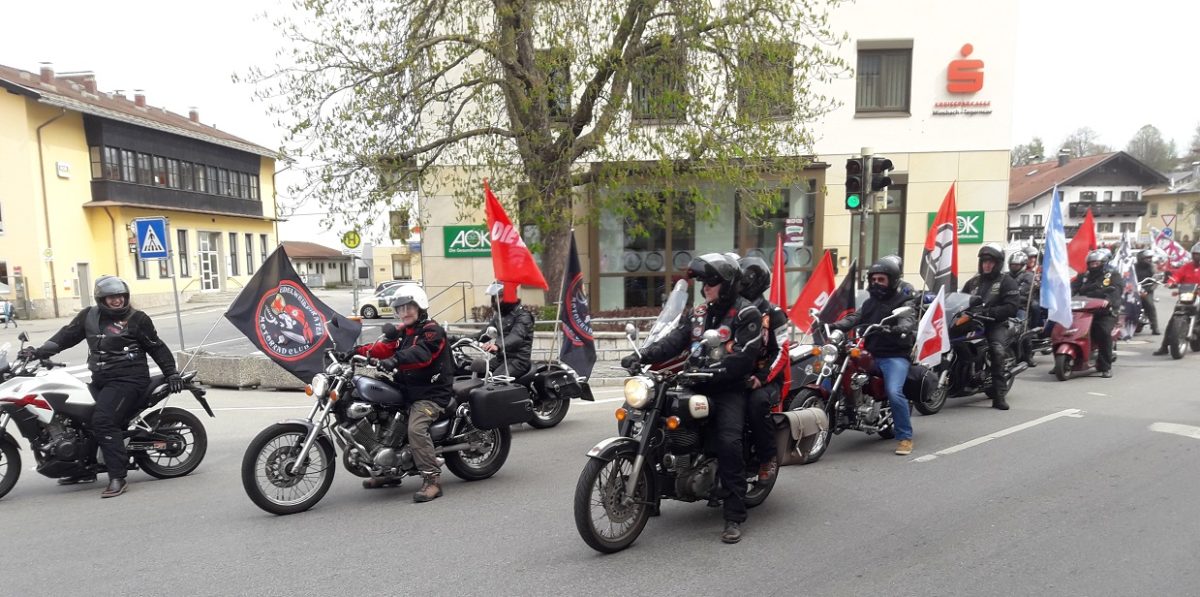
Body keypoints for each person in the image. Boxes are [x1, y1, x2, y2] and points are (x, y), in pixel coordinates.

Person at [621, 253, 762, 544]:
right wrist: (642, 355)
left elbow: (744, 358)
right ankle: (652, 494)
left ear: (728, 283)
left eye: (711, 282)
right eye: (703, 282)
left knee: (728, 442)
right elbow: (674, 340)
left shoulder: (747, 313)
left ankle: (733, 515)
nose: (705, 287)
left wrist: (716, 370)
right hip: (694, 383)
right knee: (656, 423)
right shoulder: (698, 313)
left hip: (727, 388)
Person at [22, 276, 183, 498]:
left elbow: (156, 347)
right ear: (101, 299)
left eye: (121, 296)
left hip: (129, 381)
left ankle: (118, 476)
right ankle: (84, 470)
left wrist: (172, 372)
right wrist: (38, 352)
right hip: (101, 381)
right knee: (77, 417)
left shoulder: (137, 319)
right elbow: (66, 336)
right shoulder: (88, 316)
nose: (117, 301)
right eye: (112, 297)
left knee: (103, 421)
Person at [373, 285, 455, 502]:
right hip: (409, 390)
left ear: (420, 307)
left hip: (432, 394)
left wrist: (395, 360)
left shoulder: (432, 331)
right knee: (382, 415)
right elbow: (383, 348)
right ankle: (388, 471)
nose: (405, 312)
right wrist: (352, 352)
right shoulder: (404, 332)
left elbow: (423, 354)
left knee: (416, 429)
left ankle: (432, 480)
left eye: (409, 307)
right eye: (400, 308)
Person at [829, 259, 917, 454]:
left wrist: (899, 327)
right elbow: (855, 317)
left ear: (892, 281)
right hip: (871, 353)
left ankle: (905, 438)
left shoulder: (902, 302)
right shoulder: (870, 303)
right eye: (873, 279)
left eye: (881, 279)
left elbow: (908, 319)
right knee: (840, 368)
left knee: (894, 391)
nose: (876, 283)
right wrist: (836, 325)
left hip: (894, 356)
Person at [735, 256, 784, 483]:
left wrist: (761, 378)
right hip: (734, 375)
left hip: (766, 379)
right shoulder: (731, 310)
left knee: (756, 403)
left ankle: (767, 457)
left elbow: (782, 352)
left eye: (741, 280)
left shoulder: (773, 313)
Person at [962, 244, 1021, 407]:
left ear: (997, 263)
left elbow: (1012, 307)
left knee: (997, 351)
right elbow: (960, 298)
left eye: (990, 261)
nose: (986, 264)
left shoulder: (1006, 281)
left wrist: (990, 312)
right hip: (972, 322)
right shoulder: (973, 282)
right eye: (984, 261)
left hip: (995, 324)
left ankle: (999, 394)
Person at [1071, 250, 1121, 376]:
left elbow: (1116, 292)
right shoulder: (1083, 276)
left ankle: (1105, 366)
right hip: (1082, 310)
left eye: (1096, 263)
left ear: (1104, 263)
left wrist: (1108, 300)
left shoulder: (1112, 275)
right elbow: (1072, 288)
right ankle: (1065, 359)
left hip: (1104, 313)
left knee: (1103, 331)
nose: (1093, 265)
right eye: (1091, 263)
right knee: (1064, 328)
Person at [470, 285, 534, 379]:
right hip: (501, 358)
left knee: (496, 380)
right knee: (479, 372)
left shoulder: (523, 315)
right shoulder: (499, 316)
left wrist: (498, 346)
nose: (497, 301)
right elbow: (485, 333)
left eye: (499, 297)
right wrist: (460, 340)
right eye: (495, 297)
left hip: (518, 360)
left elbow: (516, 336)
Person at [1153, 243, 1200, 355]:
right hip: (1187, 295)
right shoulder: (1187, 266)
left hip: (1199, 295)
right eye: (1194, 254)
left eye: (1198, 255)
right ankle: (1164, 347)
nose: (1196, 257)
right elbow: (1177, 276)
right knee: (1172, 321)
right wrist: (1171, 282)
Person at [1007, 251, 1039, 367]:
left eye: (1017, 265)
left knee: (1023, 329)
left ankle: (1028, 356)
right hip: (1007, 307)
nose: (1014, 267)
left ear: (1023, 265)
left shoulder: (1029, 276)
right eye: (1012, 265)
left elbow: (1024, 293)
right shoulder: (1006, 276)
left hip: (1021, 307)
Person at [1134, 249, 1161, 335]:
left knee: (1149, 304)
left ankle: (1154, 327)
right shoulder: (1133, 267)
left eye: (1150, 258)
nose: (1149, 260)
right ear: (1140, 258)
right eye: (1147, 258)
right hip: (1134, 288)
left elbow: (1155, 280)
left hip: (1147, 289)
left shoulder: (1152, 267)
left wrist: (1149, 289)